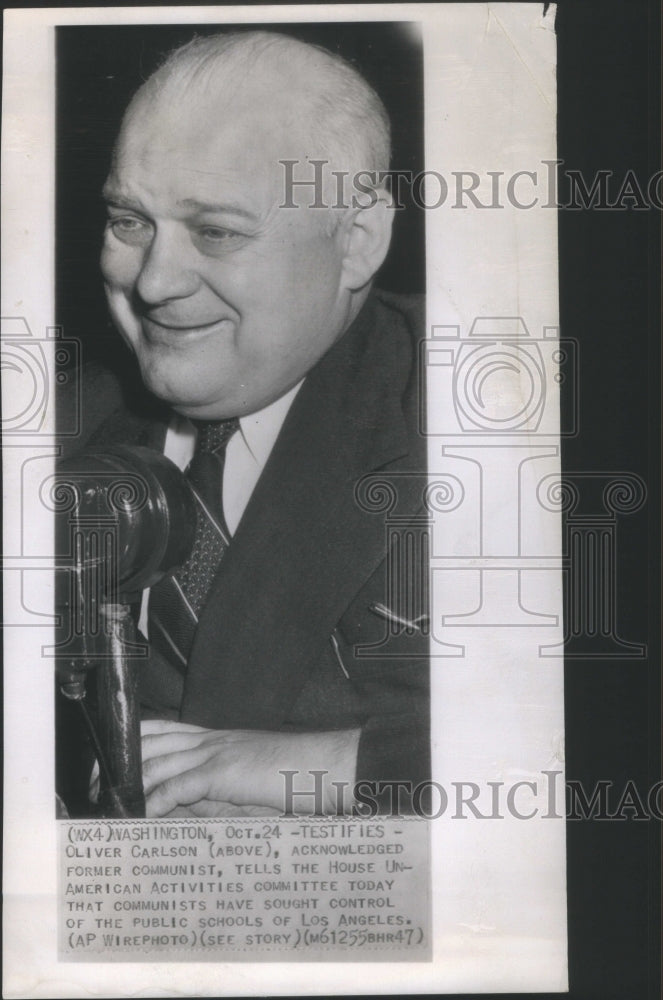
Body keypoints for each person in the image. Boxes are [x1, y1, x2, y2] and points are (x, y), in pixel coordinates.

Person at [58, 30, 429, 818]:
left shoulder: (484, 412)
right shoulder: (56, 427)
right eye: (130, 221)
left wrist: (335, 765)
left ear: (356, 241)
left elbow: (595, 720)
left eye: (216, 232)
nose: (155, 282)